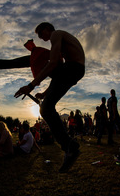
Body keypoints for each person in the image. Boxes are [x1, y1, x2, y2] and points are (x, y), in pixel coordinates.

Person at [14, 22, 85, 173]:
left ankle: (69, 147)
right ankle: (69, 147)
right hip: (73, 70)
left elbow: (53, 64)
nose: (41, 38)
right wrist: (45, 93)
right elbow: (58, 76)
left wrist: (31, 85)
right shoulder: (62, 41)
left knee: (45, 107)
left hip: (73, 68)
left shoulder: (56, 34)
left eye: (41, 34)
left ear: (47, 29)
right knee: (46, 106)